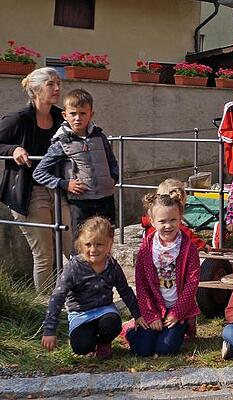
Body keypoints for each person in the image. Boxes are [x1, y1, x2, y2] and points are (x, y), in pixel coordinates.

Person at [0, 67, 73, 292]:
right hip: (29, 193)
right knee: (45, 253)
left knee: (75, 247)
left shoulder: (62, 118)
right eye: (51, 84)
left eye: (58, 83)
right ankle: (47, 310)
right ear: (35, 90)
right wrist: (13, 149)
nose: (57, 88)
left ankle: (83, 300)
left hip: (58, 190)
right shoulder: (18, 120)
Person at [41, 216, 143, 359]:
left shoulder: (112, 265)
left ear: (109, 244)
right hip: (80, 313)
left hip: (105, 310)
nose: (93, 249)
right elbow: (58, 297)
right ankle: (89, 339)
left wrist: (137, 315)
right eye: (88, 245)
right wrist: (50, 330)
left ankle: (104, 341)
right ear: (81, 245)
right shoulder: (74, 267)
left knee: (112, 324)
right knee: (81, 347)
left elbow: (125, 290)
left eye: (99, 244)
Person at [33, 89, 118, 244]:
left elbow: (112, 161)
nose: (78, 118)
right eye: (73, 113)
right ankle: (81, 268)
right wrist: (65, 184)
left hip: (106, 198)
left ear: (91, 114)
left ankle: (106, 268)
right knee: (82, 241)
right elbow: (39, 173)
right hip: (81, 202)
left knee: (107, 238)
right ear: (65, 115)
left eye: (83, 113)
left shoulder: (100, 137)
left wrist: (114, 178)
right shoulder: (61, 142)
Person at [127, 191, 200, 356]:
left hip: (176, 308)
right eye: (162, 221)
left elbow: (192, 282)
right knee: (143, 350)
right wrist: (151, 315)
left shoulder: (188, 248)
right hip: (154, 306)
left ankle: (181, 329)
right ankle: (132, 332)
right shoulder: (147, 247)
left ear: (180, 218)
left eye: (173, 220)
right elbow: (141, 282)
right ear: (152, 221)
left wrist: (177, 313)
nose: (168, 226)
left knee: (165, 349)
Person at [140, 178, 209, 252]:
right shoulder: (175, 225)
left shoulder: (152, 221)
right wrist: (202, 245)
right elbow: (187, 236)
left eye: (173, 220)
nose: (168, 225)